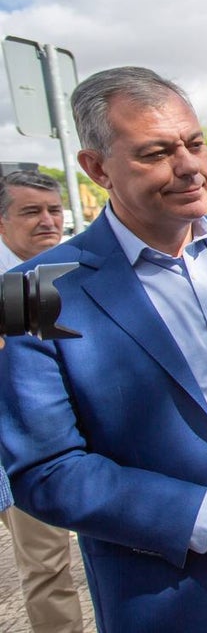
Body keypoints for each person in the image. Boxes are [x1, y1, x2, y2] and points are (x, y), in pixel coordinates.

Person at [0, 66, 207, 633]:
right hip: (171, 588)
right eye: (156, 153)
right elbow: (44, 471)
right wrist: (206, 514)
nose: (189, 167)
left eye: (195, 144)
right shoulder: (31, 290)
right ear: (97, 168)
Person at [0, 170, 84, 633]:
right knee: (47, 564)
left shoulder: (75, 269)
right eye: (31, 211)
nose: (48, 221)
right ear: (2, 222)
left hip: (86, 438)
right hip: (23, 447)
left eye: (54, 209)